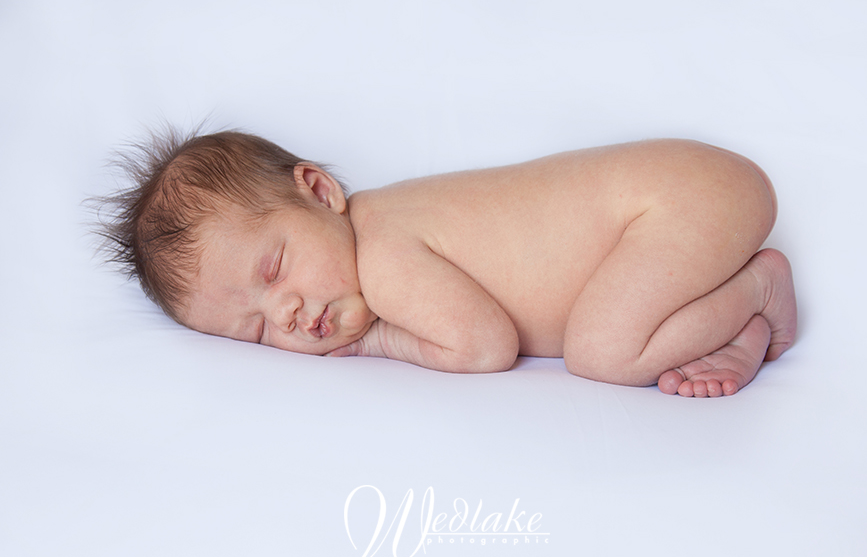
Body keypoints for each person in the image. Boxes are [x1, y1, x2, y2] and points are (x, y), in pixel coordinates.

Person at [98, 128, 796, 397]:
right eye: (254, 329)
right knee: (614, 334)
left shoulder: (384, 254)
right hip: (682, 196)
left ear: (319, 191)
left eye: (273, 270)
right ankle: (739, 328)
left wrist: (379, 340)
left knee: (602, 353)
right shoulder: (382, 226)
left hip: (676, 200)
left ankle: (758, 286)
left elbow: (485, 348)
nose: (283, 315)